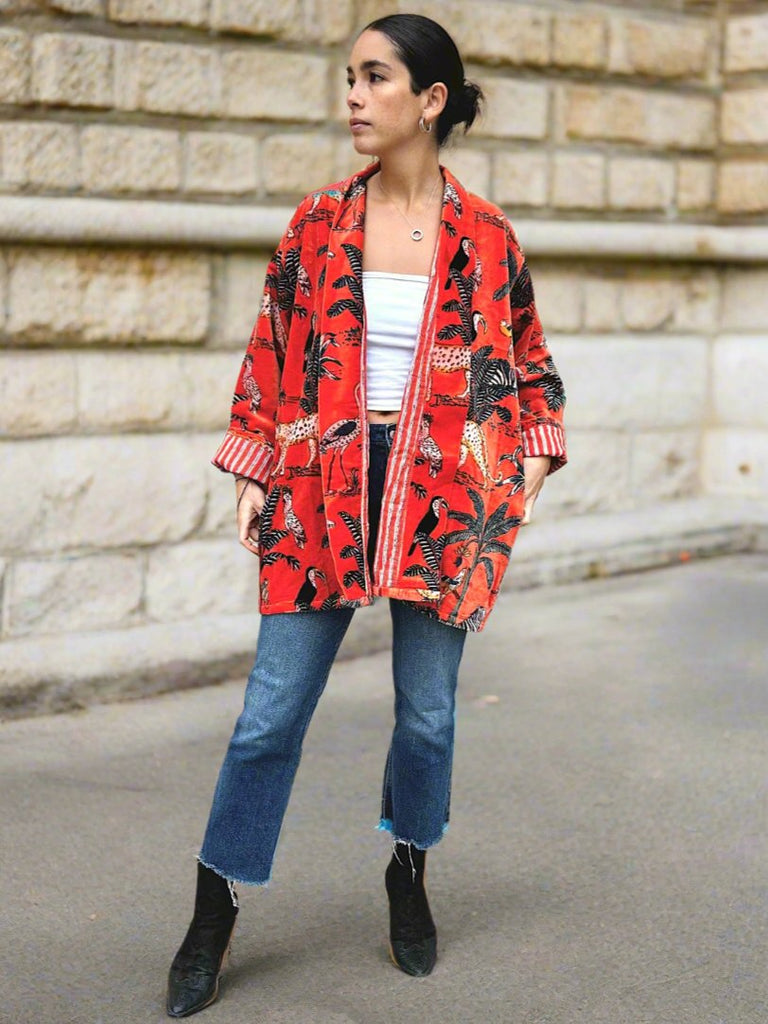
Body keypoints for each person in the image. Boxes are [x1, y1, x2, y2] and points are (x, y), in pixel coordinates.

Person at [166, 12, 566, 1018]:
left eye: (375, 77)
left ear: (429, 100)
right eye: (349, 76)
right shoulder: (316, 224)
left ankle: (408, 870)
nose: (352, 95)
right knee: (269, 714)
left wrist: (528, 458)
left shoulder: (487, 237)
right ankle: (213, 908)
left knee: (427, 715)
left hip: (443, 496)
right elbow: (270, 349)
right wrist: (255, 466)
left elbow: (528, 365)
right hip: (323, 484)